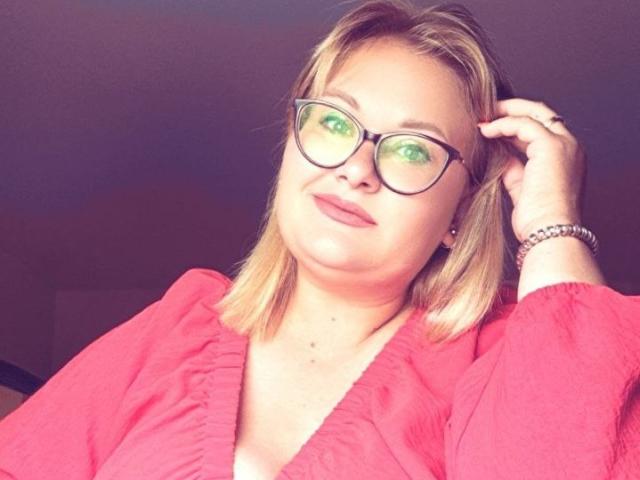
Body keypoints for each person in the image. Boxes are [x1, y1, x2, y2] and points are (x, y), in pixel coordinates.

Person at [1, 1, 638, 479]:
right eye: (335, 122)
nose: (356, 169)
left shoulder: (500, 358)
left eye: (413, 149)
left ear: (459, 213)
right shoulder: (178, 324)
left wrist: (553, 221)